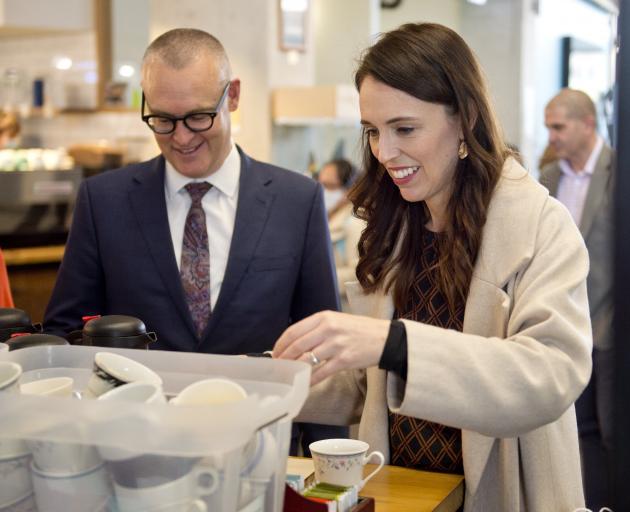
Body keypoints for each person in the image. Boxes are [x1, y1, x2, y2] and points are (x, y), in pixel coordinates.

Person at [273, 23, 592, 511]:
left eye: (405, 129)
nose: (384, 153)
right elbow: (372, 388)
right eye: (372, 132)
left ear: (463, 120)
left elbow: (550, 375)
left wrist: (392, 343)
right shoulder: (396, 226)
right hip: (405, 495)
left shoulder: (540, 225)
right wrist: (264, 382)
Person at [43, 28, 346, 453]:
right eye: (163, 120)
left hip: (261, 446)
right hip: (134, 448)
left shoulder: (297, 200)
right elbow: (66, 332)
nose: (181, 138)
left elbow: (323, 349)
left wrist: (327, 466)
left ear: (233, 96)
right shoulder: (103, 201)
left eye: (198, 117)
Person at [541, 88, 614, 510]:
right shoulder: (548, 178)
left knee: (613, 433)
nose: (551, 135)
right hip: (564, 327)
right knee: (575, 430)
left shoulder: (618, 171)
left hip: (610, 327)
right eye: (549, 126)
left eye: (558, 126)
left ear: (587, 124)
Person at [317, 159, 364, 311]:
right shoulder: (325, 217)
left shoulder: (355, 222)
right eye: (320, 185)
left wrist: (316, 279)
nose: (323, 191)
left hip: (346, 310)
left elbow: (359, 273)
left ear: (349, 189)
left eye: (330, 186)